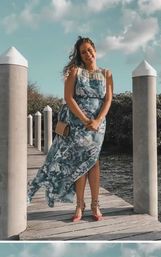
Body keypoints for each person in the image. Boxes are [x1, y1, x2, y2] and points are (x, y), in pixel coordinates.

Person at [27, 36, 113, 222]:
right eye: (83, 52)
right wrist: (84, 120)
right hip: (78, 124)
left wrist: (97, 120)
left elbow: (108, 100)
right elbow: (68, 97)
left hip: (98, 125)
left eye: (90, 50)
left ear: (95, 50)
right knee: (79, 163)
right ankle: (79, 206)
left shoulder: (106, 73)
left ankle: (95, 205)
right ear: (80, 55)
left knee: (94, 162)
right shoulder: (75, 71)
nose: (88, 54)